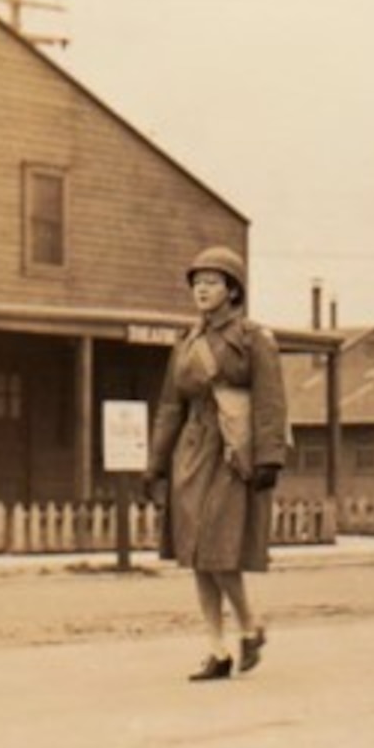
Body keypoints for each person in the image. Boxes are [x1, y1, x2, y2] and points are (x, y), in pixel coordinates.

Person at [148, 246, 289, 682]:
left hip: (233, 452)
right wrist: (155, 465)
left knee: (218, 546)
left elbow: (270, 401)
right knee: (196, 552)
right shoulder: (186, 341)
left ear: (232, 290)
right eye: (197, 282)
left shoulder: (253, 339)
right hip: (191, 450)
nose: (202, 289)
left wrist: (269, 457)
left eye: (212, 282)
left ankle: (249, 625)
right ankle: (217, 649)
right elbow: (171, 406)